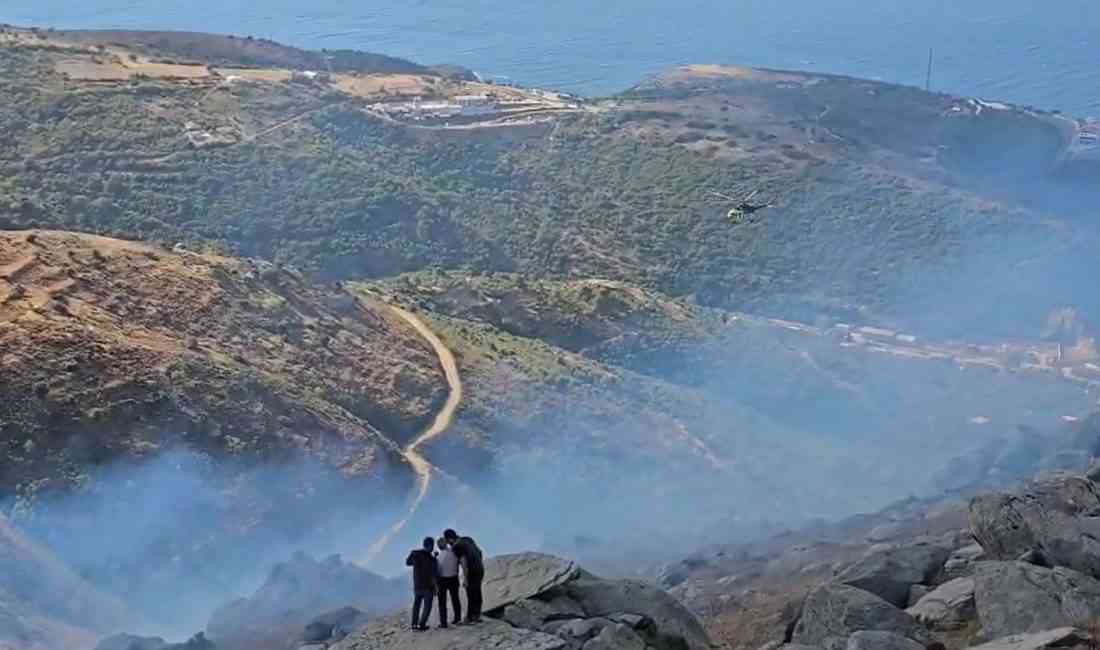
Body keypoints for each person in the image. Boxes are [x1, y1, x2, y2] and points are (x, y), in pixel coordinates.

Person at [443, 528, 484, 624]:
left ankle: (470, 618)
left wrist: (465, 578)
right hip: (479, 568)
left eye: (448, 541)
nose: (449, 544)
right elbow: (480, 552)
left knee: (470, 593)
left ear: (450, 539)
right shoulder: (468, 539)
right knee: (477, 591)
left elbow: (463, 562)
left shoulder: (457, 546)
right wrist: (478, 563)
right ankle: (477, 615)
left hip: (471, 570)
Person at [405, 537, 438, 631]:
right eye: (432, 546)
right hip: (428, 587)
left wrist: (415, 559)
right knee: (427, 607)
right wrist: (435, 587)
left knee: (416, 605)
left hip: (417, 585)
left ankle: (414, 625)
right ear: (430, 545)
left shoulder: (415, 553)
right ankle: (422, 624)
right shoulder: (431, 559)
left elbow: (408, 562)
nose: (433, 548)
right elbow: (433, 573)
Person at [435, 537, 461, 628]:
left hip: (443, 580)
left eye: (439, 543)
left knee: (443, 602)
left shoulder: (439, 556)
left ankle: (444, 622)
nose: (438, 545)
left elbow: (437, 570)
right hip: (453, 578)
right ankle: (457, 619)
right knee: (455, 599)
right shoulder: (453, 552)